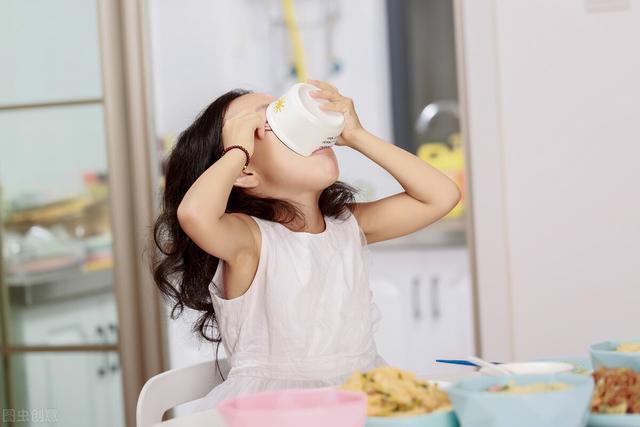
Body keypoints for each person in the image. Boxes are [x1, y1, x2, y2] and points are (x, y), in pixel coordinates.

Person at [151, 79, 461, 411]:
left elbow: (442, 196)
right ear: (243, 172)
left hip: (358, 397)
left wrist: (358, 136)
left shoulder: (347, 226)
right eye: (266, 124)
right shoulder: (249, 240)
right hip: (276, 410)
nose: (295, 125)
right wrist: (238, 150)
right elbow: (195, 214)